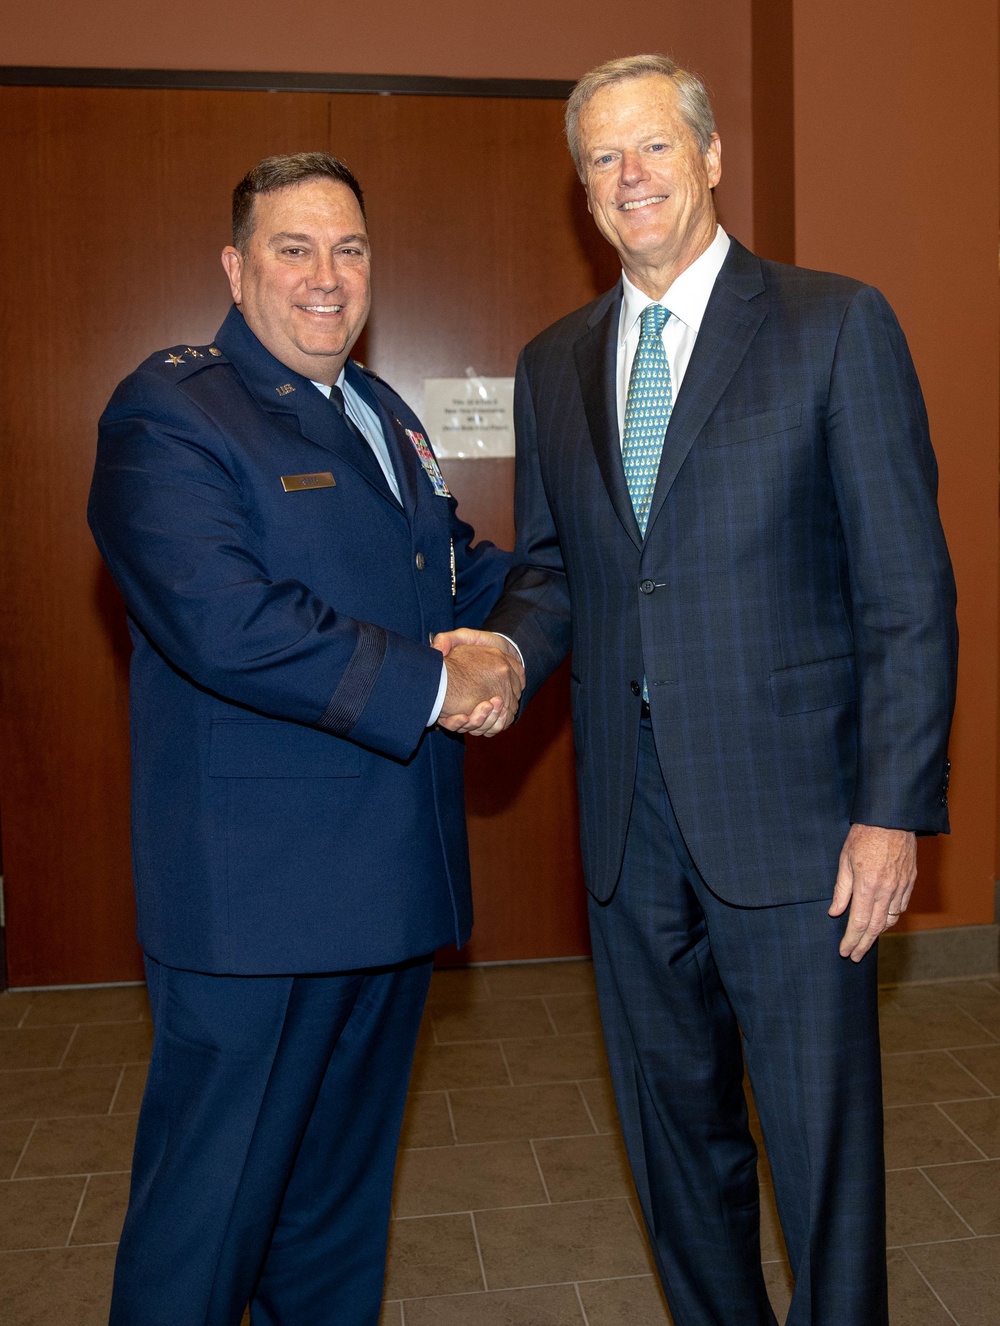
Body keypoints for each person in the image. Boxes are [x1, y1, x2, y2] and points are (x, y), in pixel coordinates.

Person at [437, 55, 958, 1326]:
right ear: (582, 191)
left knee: (821, 1152)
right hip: (627, 822)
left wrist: (890, 812)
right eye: (604, 161)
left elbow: (907, 595)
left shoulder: (835, 324)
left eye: (655, 148)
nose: (631, 179)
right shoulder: (553, 362)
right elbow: (561, 573)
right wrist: (505, 649)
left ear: (710, 158)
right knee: (676, 1145)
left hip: (797, 825)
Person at [88, 151, 521, 1326]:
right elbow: (228, 625)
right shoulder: (170, 410)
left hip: (386, 891)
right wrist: (440, 689)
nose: (327, 278)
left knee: (333, 1222)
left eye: (350, 249)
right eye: (294, 248)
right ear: (236, 268)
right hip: (258, 911)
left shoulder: (380, 413)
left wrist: (526, 631)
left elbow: (460, 575)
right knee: (205, 1231)